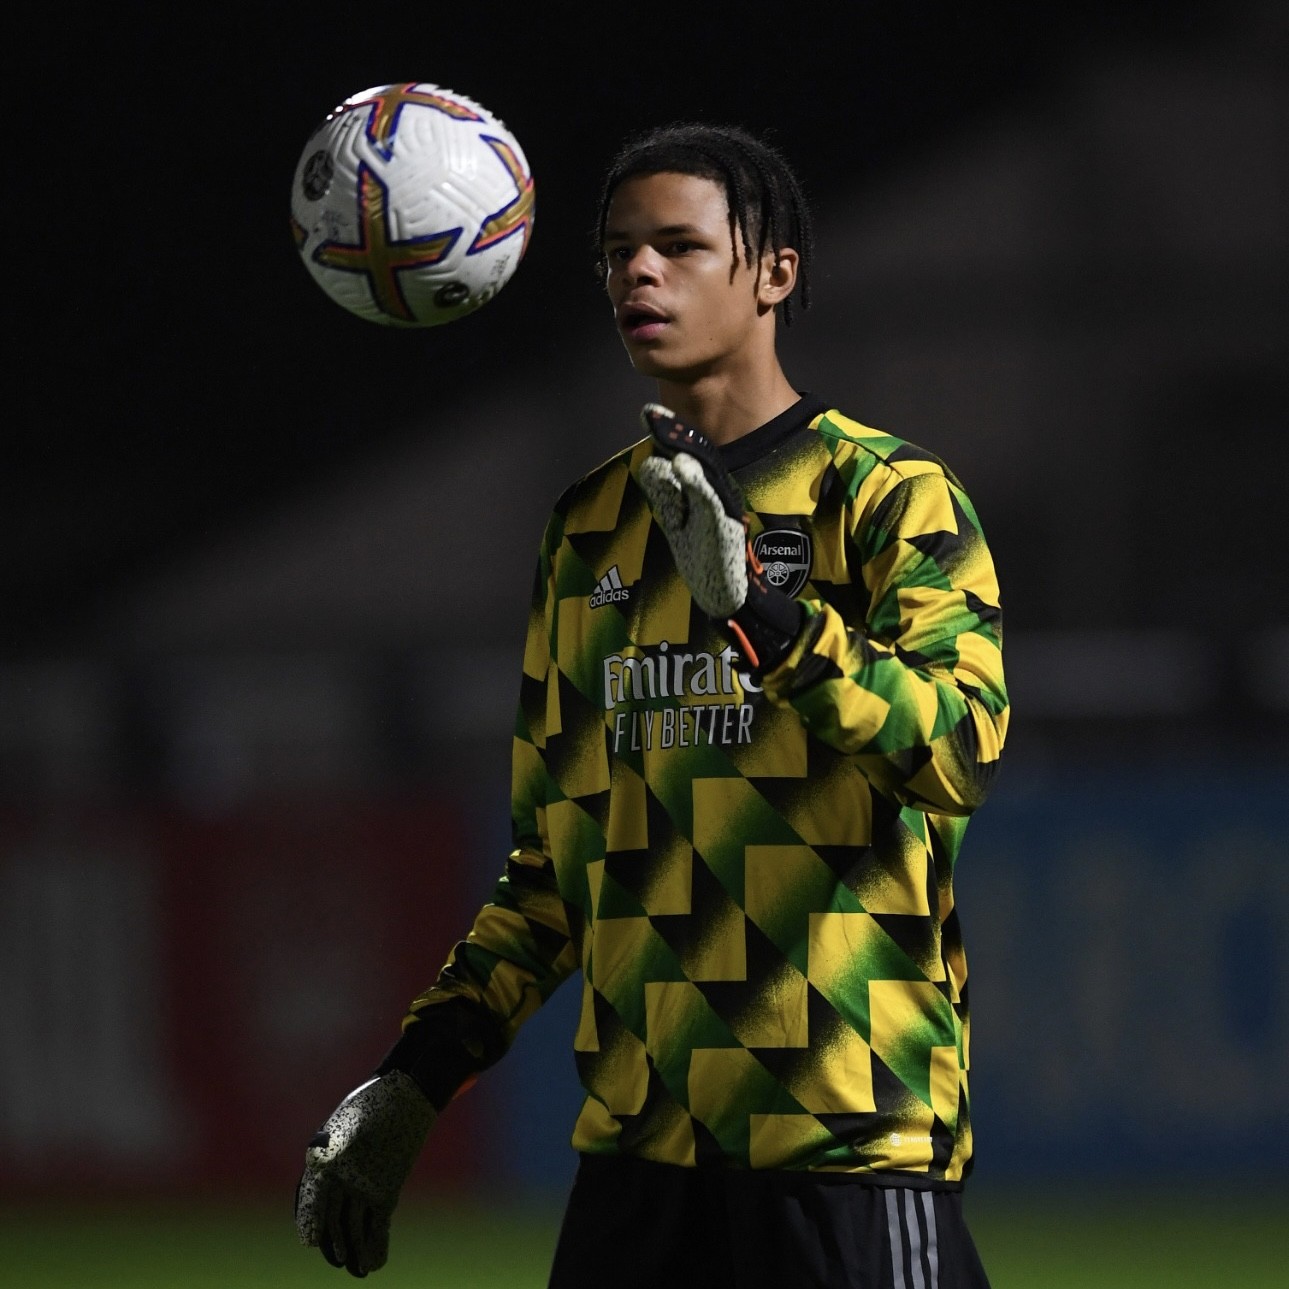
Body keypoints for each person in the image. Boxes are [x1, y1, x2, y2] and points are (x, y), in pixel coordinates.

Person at [296, 122, 1009, 1289]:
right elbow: (555, 865)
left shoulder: (885, 496)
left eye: (676, 246)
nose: (638, 272)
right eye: (618, 252)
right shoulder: (588, 530)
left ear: (773, 270)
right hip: (635, 1171)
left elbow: (957, 749)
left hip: (843, 1143)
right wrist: (415, 1076)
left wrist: (761, 613)